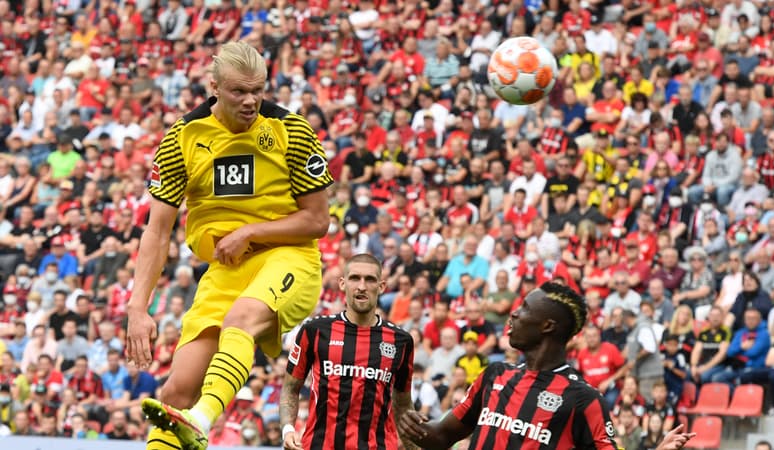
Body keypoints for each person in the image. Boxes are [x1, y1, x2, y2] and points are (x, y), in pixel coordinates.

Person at [126, 41, 333, 450]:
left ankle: (200, 422)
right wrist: (138, 307)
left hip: (289, 257)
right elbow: (157, 231)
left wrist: (249, 232)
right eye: (239, 91)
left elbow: (317, 220)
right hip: (226, 270)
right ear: (214, 87)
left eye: (258, 90)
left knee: (241, 320)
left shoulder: (291, 129)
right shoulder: (183, 137)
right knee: (175, 393)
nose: (251, 100)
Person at [398, 282, 696, 450]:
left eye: (525, 308)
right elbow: (443, 436)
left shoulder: (584, 400)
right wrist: (407, 421)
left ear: (547, 326)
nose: (513, 315)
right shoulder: (494, 376)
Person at [280, 254, 415, 450]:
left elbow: (403, 405)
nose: (361, 286)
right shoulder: (315, 331)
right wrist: (287, 429)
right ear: (342, 284)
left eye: (369, 279)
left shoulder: (401, 341)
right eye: (354, 278)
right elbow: (290, 388)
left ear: (382, 287)